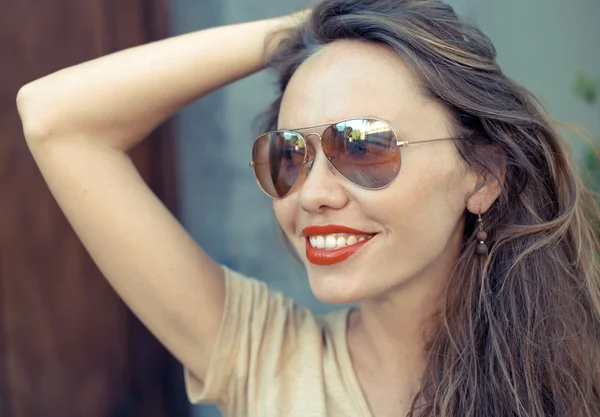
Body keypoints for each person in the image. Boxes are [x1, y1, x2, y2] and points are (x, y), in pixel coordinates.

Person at [16, 0, 600, 416]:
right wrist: (316, 24)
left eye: (365, 146)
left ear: (484, 176)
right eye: (288, 155)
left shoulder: (579, 369)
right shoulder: (265, 360)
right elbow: (54, 118)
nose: (313, 193)